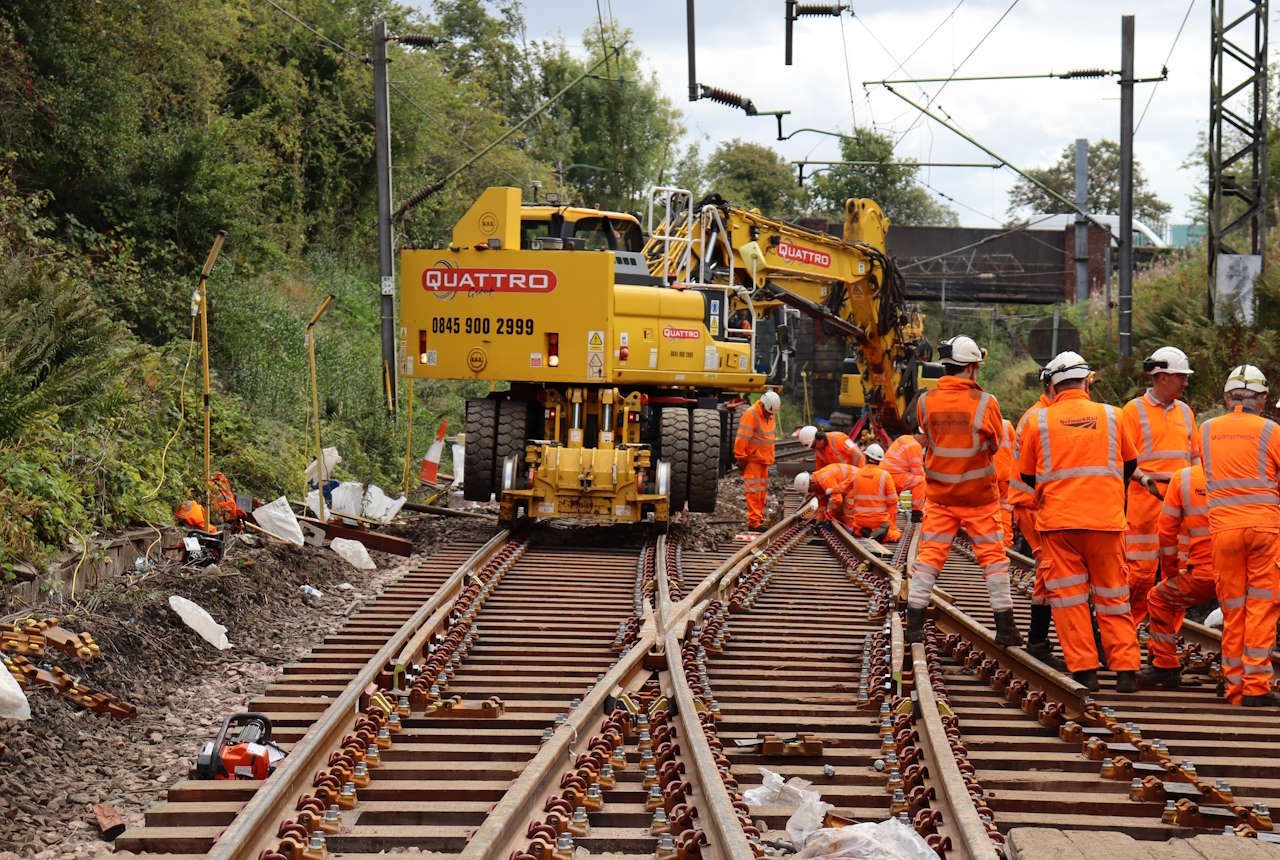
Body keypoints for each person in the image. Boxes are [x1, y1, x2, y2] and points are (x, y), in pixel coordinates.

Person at [1017, 351, 1141, 692]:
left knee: (1069, 600)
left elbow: (1027, 474)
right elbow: (1130, 465)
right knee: (1113, 596)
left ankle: (1085, 671)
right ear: (1087, 382)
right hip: (1106, 522)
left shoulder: (1037, 421)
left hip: (1059, 525)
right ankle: (1126, 671)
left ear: (1052, 386)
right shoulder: (1114, 416)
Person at [905, 335, 1022, 646]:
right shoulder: (986, 403)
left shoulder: (925, 402)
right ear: (971, 368)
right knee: (994, 559)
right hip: (979, 497)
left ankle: (914, 624)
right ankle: (1006, 629)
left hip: (941, 497)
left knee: (929, 557)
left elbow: (926, 438)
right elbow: (996, 443)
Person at [1199, 365, 1280, 707]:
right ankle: (1256, 687)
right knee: (1261, 607)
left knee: (1233, 609)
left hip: (1223, 530)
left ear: (1226, 398)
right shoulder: (1272, 431)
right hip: (1264, 529)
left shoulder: (1205, 431)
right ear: (1261, 399)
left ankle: (1234, 687)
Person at [1120, 346, 1199, 624]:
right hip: (1145, 500)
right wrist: (1143, 478)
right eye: (1181, 377)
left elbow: (1196, 458)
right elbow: (1123, 459)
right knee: (1139, 573)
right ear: (1162, 377)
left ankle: (1165, 640)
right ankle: (1124, 630)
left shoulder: (1186, 413)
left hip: (1181, 502)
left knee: (1177, 573)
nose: (1185, 383)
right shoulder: (1133, 411)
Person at [1140, 464, 1214, 687]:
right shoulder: (1247, 477)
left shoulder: (1185, 478)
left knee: (1158, 598)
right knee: (1242, 615)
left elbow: (1166, 531)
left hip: (1203, 575)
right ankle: (1242, 679)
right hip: (1241, 573)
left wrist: (1171, 571)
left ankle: (1165, 666)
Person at [1010, 367, 1056, 664]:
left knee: (1047, 571)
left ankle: (1038, 640)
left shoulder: (1041, 415)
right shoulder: (1040, 418)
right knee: (1051, 569)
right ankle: (1038, 639)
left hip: (1035, 506)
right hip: (1033, 507)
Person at [735, 390, 780, 531]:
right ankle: (754, 523)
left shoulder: (769, 414)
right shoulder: (751, 414)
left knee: (761, 492)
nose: (770, 415)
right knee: (754, 492)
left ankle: (758, 519)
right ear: (762, 405)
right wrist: (741, 458)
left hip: (764, 460)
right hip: (753, 460)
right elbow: (742, 439)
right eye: (768, 412)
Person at [849, 443, 901, 542]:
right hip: (879, 521)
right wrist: (892, 525)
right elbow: (893, 501)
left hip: (860, 521)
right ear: (879, 461)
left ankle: (862, 531)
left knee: (857, 529)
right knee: (896, 535)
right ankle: (883, 533)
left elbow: (847, 494)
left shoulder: (856, 474)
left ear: (866, 457)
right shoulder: (885, 475)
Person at [794, 464, 858, 529]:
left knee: (847, 508)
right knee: (837, 512)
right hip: (850, 483)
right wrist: (819, 520)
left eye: (810, 490)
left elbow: (837, 500)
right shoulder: (817, 485)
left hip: (858, 481)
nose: (811, 492)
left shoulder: (825, 479)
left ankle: (853, 531)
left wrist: (828, 515)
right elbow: (822, 506)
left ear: (811, 483)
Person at [883, 432, 927, 522]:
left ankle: (889, 524)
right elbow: (918, 473)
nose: (926, 446)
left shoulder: (904, 438)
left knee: (891, 503)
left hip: (884, 476)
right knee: (921, 481)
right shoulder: (915, 446)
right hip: (894, 477)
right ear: (925, 438)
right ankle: (917, 513)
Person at [993, 417, 1017, 547]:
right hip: (1006, 476)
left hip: (986, 475)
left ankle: (984, 545)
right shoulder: (1007, 425)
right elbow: (1016, 450)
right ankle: (1006, 544)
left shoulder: (977, 422)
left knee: (982, 511)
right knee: (1004, 509)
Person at [796, 425, 864, 470]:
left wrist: (853, 473)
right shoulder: (819, 451)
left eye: (814, 445)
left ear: (819, 437)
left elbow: (857, 454)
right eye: (812, 447)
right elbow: (821, 470)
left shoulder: (839, 438)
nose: (815, 448)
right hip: (845, 477)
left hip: (859, 471)